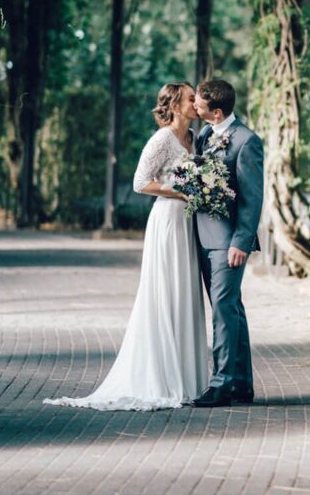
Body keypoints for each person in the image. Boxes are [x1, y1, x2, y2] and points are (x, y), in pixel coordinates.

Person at [43, 82, 207, 411]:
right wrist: (181, 192)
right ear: (175, 105)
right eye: (191, 98)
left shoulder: (195, 139)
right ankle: (161, 378)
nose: (197, 103)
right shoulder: (161, 140)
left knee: (186, 293)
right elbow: (140, 182)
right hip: (167, 221)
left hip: (188, 224)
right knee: (166, 293)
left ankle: (188, 379)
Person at [190, 79, 265, 407]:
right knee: (232, 309)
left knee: (223, 310)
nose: (193, 106)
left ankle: (221, 384)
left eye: (199, 103)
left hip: (227, 243)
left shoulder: (247, 141)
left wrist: (241, 242)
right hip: (204, 238)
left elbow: (252, 197)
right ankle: (241, 385)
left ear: (216, 111)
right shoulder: (205, 135)